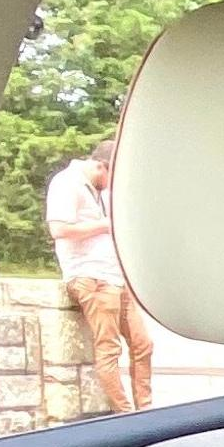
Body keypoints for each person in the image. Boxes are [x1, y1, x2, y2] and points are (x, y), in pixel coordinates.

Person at [47, 134, 148, 413]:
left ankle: (147, 409)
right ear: (102, 166)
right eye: (112, 175)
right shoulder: (67, 184)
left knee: (143, 345)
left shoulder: (98, 189)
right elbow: (59, 230)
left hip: (115, 277)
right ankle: (125, 414)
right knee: (109, 348)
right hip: (91, 276)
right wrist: (105, 225)